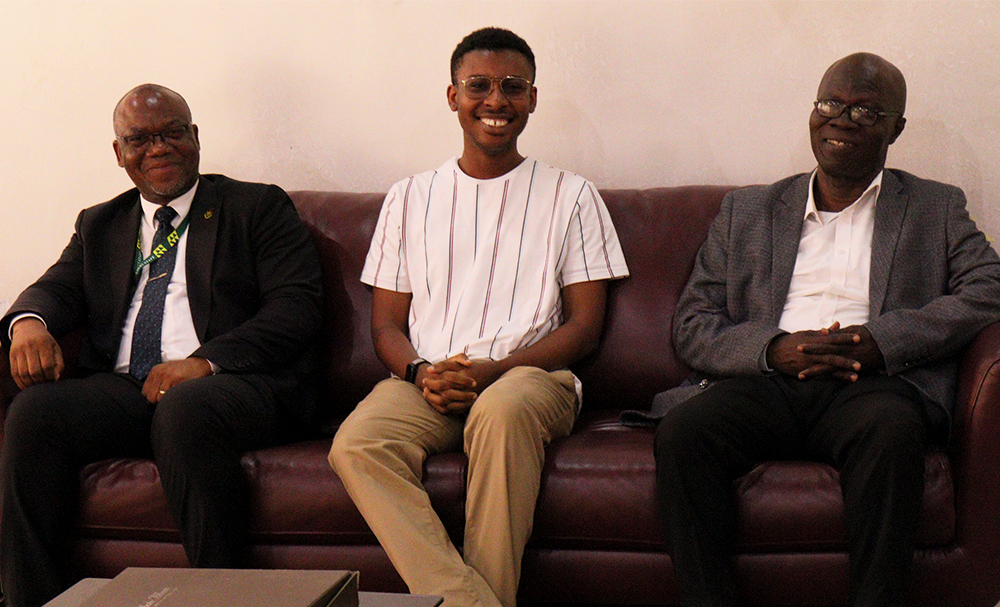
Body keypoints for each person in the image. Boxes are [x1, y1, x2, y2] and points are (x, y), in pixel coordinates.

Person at [651, 53, 1000, 607]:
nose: (842, 119)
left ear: (896, 129)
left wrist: (883, 340)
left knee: (891, 433)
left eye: (865, 111)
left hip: (873, 386)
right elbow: (694, 323)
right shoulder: (747, 210)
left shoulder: (935, 206)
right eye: (830, 104)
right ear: (812, 112)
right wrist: (772, 349)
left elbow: (989, 289)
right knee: (685, 432)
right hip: (768, 382)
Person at [328, 27, 629, 607]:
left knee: (501, 411)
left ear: (533, 99)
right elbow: (385, 326)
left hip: (529, 380)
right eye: (479, 86)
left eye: (512, 87)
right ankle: (471, 602)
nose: (496, 101)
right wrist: (419, 372)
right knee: (357, 444)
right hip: (429, 380)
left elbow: (584, 328)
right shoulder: (410, 196)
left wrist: (496, 370)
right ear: (452, 96)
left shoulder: (571, 194)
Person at [0, 84, 323, 607]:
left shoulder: (255, 206)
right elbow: (55, 288)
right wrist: (28, 323)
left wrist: (204, 362)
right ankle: (31, 599)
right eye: (140, 139)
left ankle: (221, 596)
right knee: (36, 412)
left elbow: (296, 309)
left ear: (195, 137)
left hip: (234, 385)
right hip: (129, 386)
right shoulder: (101, 222)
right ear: (119, 153)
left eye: (172, 133)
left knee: (184, 407)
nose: (159, 148)